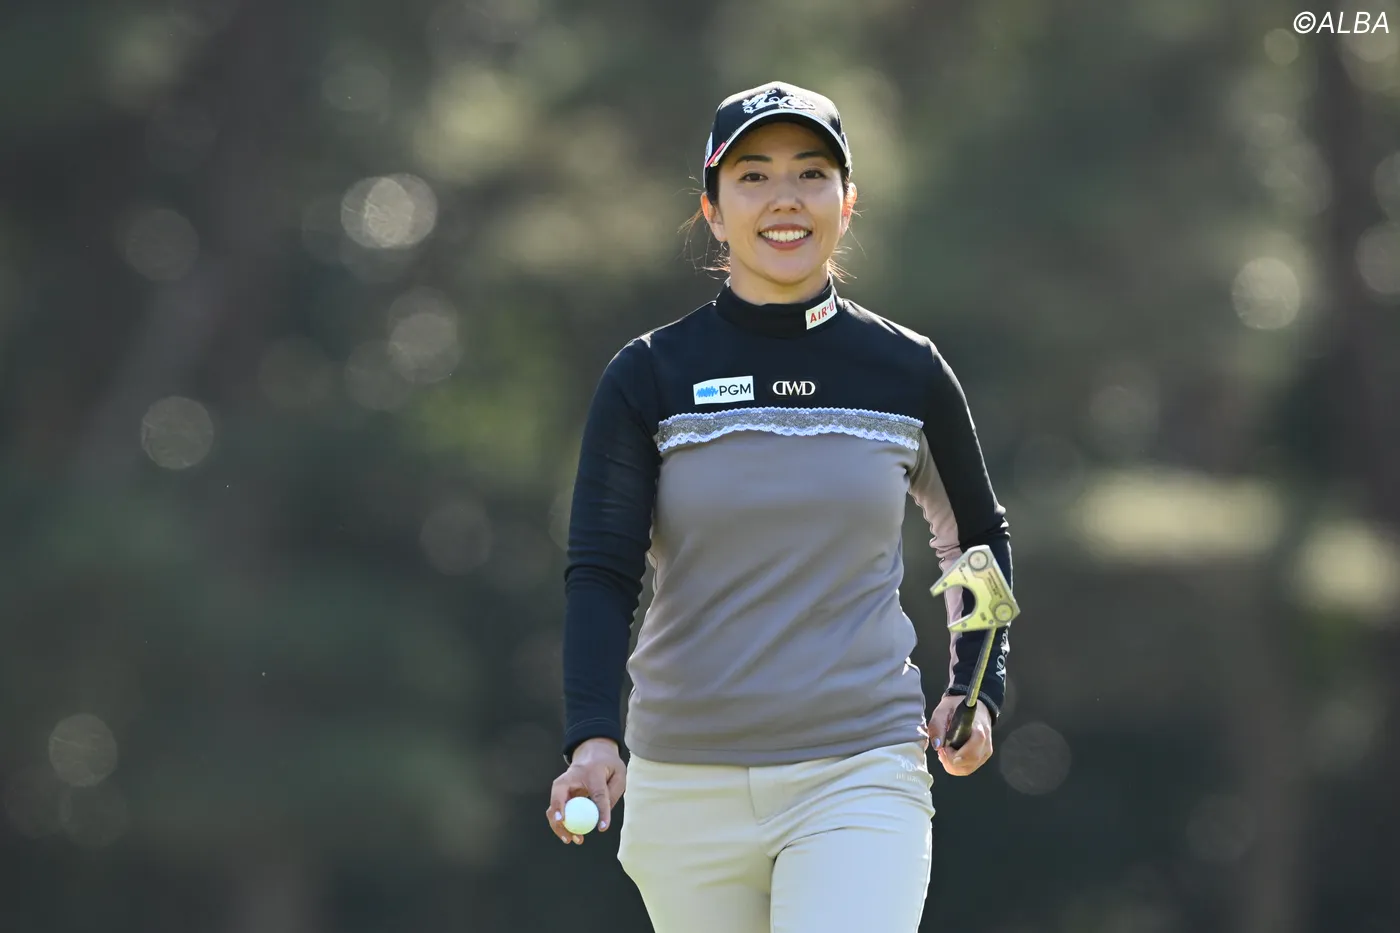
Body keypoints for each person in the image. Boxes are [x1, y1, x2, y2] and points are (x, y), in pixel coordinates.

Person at [545, 80, 1014, 933]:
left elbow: (974, 539)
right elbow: (603, 571)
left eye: (811, 173)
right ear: (713, 210)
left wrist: (975, 688)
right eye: (753, 176)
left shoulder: (906, 370)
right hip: (685, 783)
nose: (785, 198)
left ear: (847, 200)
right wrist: (592, 736)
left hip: (860, 770)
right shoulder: (650, 375)